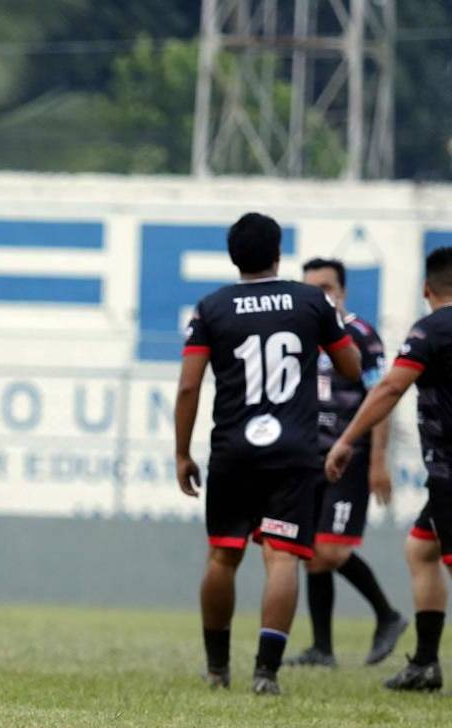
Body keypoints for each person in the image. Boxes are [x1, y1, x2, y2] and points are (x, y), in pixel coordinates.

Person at [174, 213, 360, 695]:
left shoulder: (211, 308)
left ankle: (217, 670)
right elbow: (351, 366)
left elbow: (189, 386)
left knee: (223, 555)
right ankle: (266, 673)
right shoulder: (310, 301)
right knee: (282, 557)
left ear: (234, 257)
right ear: (278, 254)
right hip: (294, 450)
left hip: (233, 449)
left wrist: (182, 454)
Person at [327, 246, 452, 692]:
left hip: (451, 472)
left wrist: (347, 440)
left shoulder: (432, 330)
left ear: (426, 289)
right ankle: (425, 664)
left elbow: (390, 388)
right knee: (421, 550)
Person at [285, 258, 407, 668]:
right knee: (312, 552)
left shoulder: (361, 336)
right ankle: (322, 649)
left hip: (350, 459)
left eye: (326, 287)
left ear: (342, 292)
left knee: (331, 551)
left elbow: (382, 400)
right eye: (311, 288)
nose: (319, 295)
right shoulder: (302, 333)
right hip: (309, 458)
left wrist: (377, 462)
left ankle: (388, 615)